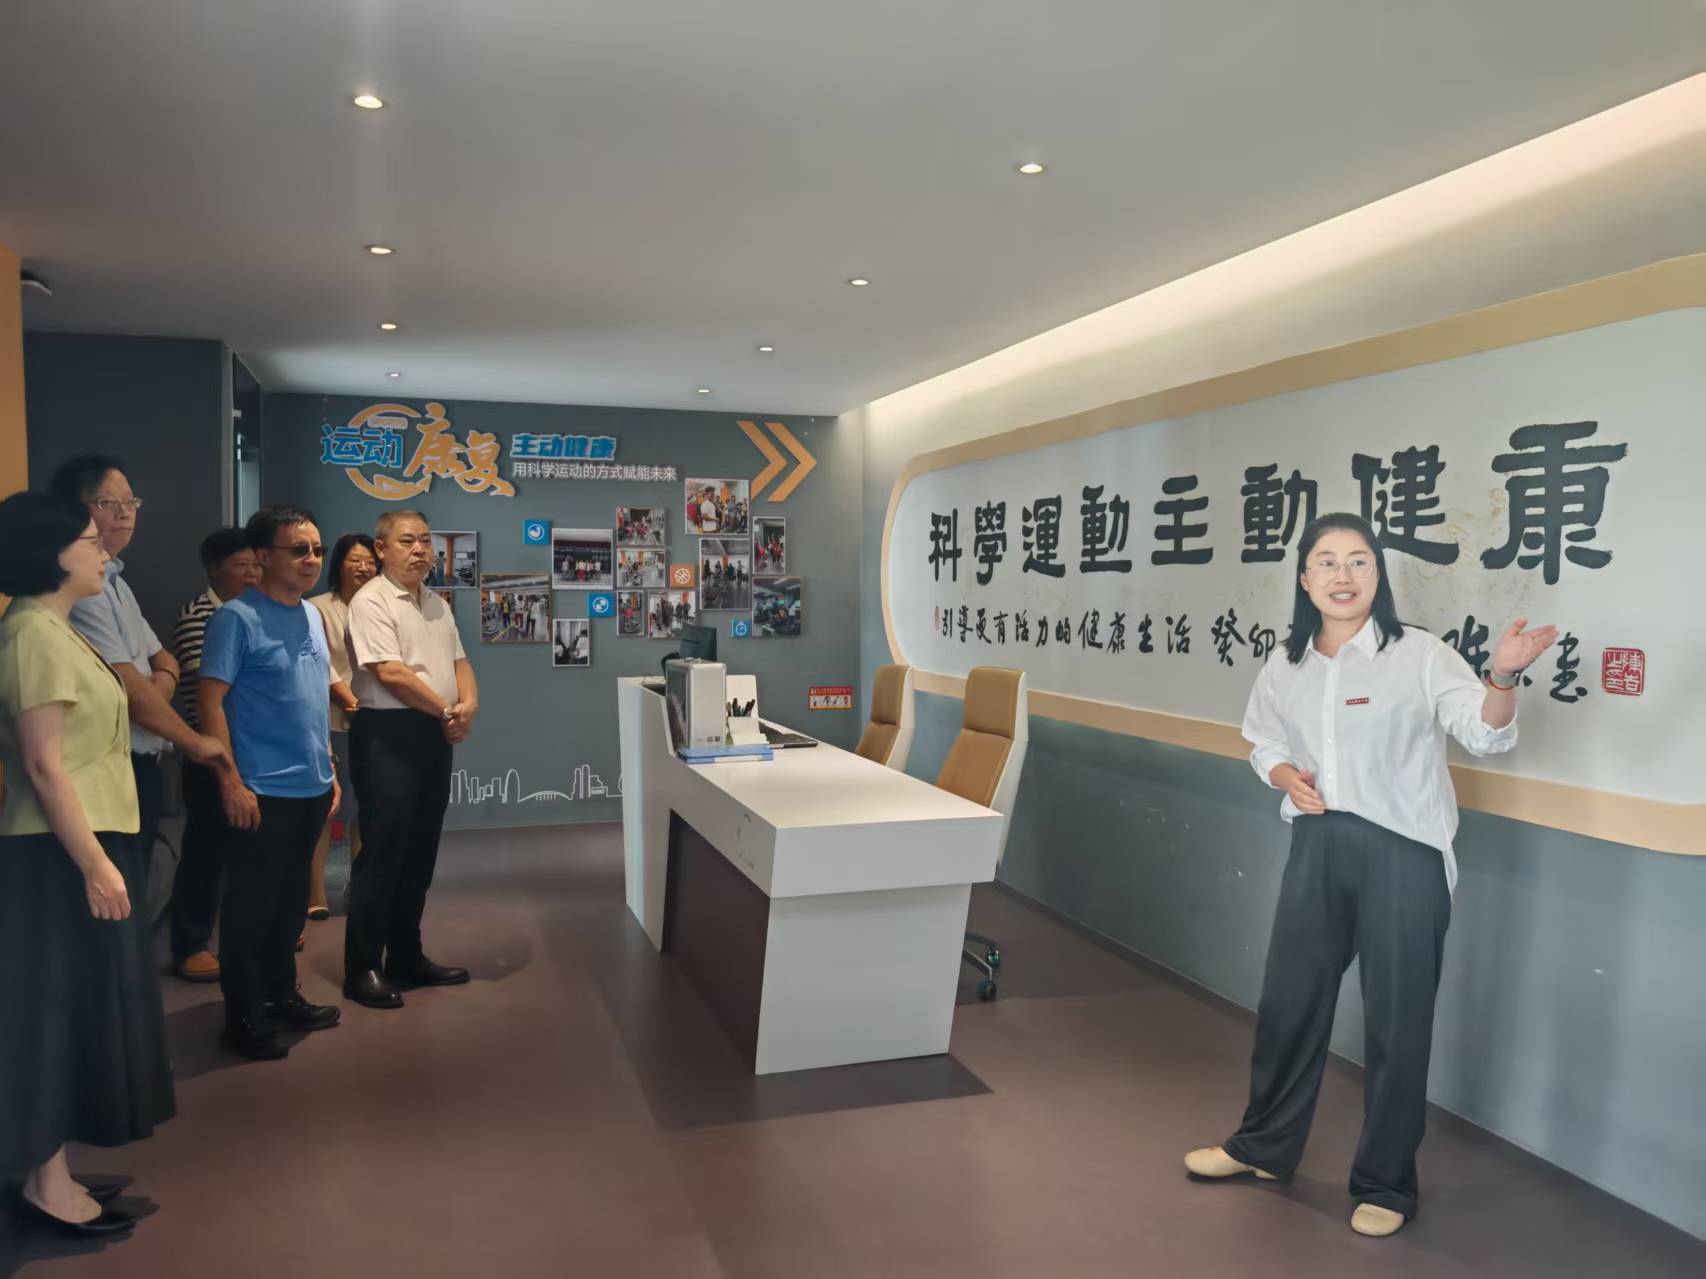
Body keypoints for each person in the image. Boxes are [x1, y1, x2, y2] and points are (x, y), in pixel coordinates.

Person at [1184, 513, 1557, 1239]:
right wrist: (1286, 776)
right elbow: (1263, 741)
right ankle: (1262, 1147)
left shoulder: (1419, 653)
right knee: (1289, 1002)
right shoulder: (1286, 662)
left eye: (1359, 561)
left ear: (1377, 575)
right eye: (1326, 561)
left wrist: (1502, 676)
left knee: (1397, 1021)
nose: (1343, 575)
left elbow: (1486, 733)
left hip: (1404, 852)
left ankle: (1387, 1182)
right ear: (1304, 579)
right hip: (1319, 844)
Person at [0, 491, 174, 1240]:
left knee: (78, 1009)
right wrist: (96, 865)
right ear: (50, 552)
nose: (103, 547)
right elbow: (44, 765)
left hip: (83, 842)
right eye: (88, 538)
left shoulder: (52, 629)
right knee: (53, 1014)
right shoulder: (30, 634)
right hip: (59, 853)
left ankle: (53, 1172)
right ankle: (45, 1186)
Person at [198, 506, 343, 1060]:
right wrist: (229, 780)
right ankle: (243, 1013)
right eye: (298, 550)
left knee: (288, 902)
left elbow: (313, 699)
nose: (311, 559)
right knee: (250, 906)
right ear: (262, 556)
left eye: (316, 549)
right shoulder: (236, 619)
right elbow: (211, 702)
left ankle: (281, 995)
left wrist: (329, 766)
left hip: (311, 785)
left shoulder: (311, 615)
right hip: (261, 789)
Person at [49, 456, 233, 883]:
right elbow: (131, 690)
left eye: (130, 502)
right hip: (107, 763)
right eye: (107, 502)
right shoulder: (84, 590)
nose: (124, 514)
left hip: (140, 760)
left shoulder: (116, 581)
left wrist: (155, 686)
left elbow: (164, 660)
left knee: (133, 883)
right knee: (113, 889)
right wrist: (196, 742)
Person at [343, 509, 478, 1009]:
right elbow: (390, 673)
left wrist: (468, 706)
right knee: (383, 852)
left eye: (425, 540)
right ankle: (362, 968)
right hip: (388, 734)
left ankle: (405, 955)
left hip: (432, 732)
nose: (420, 549)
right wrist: (447, 710)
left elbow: (461, 662)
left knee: (420, 851)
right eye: (407, 541)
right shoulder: (371, 600)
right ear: (382, 548)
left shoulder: (437, 602)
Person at [168, 527, 262, 983]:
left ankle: (249, 939)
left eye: (256, 565)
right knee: (206, 853)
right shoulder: (199, 616)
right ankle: (190, 945)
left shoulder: (258, 612)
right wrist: (225, 760)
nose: (252, 574)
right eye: (241, 565)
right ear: (214, 570)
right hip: (211, 754)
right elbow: (207, 696)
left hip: (256, 754)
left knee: (248, 854)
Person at [307, 533, 377, 921]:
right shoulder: (317, 608)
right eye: (355, 560)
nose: (363, 567)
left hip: (375, 720)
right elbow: (320, 664)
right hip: (332, 720)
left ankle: (360, 889)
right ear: (339, 565)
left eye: (369, 561)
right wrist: (350, 703)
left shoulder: (381, 607)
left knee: (366, 810)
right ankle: (315, 893)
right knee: (326, 809)